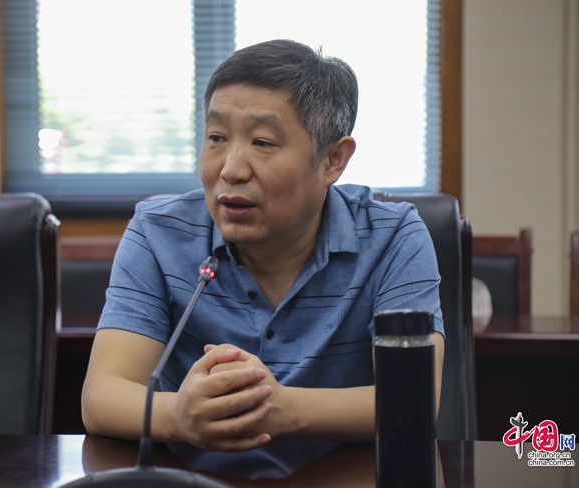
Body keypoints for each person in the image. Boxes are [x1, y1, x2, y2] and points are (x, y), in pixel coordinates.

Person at [81, 39, 445, 452]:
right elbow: (101, 397)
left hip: (342, 481)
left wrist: (280, 408)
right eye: (216, 137)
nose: (231, 170)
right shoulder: (158, 232)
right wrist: (177, 415)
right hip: (191, 481)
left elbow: (412, 402)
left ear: (333, 160)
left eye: (262, 143)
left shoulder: (393, 237)